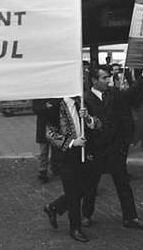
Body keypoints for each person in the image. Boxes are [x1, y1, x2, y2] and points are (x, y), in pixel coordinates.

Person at [81, 64, 143, 229]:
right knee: (91, 185)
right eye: (104, 78)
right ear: (94, 80)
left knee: (123, 184)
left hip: (115, 148)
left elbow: (131, 93)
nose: (108, 80)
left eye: (108, 77)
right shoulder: (86, 100)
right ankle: (86, 214)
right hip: (97, 149)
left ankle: (130, 217)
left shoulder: (114, 94)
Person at [42, 97, 100, 242]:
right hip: (66, 156)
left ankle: (54, 207)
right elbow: (50, 133)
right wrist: (73, 142)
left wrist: (88, 119)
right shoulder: (55, 106)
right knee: (72, 191)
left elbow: (97, 124)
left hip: (86, 153)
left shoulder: (83, 102)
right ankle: (75, 228)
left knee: (87, 187)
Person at [32, 98, 60, 182]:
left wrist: (47, 106)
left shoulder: (55, 96)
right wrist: (46, 106)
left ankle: (55, 168)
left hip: (53, 124)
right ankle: (43, 171)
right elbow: (35, 108)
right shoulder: (39, 96)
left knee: (55, 149)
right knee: (44, 150)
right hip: (43, 125)